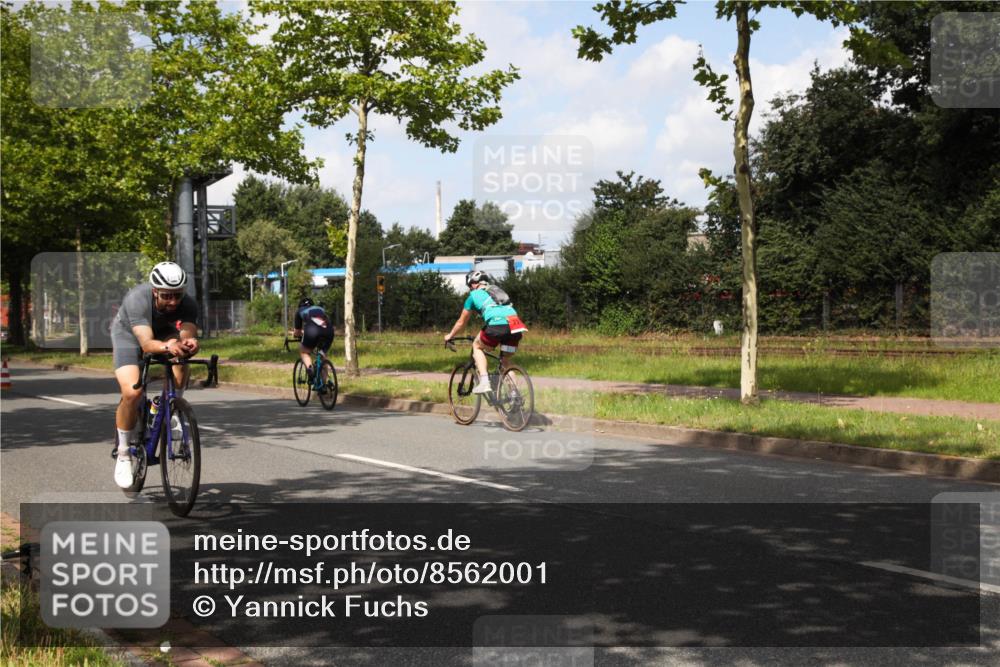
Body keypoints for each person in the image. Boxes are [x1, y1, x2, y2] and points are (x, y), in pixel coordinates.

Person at [111, 261, 200, 488]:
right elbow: (148, 344)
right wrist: (167, 346)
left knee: (180, 359)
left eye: (177, 296)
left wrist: (188, 343)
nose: (173, 302)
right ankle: (123, 453)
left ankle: (169, 407)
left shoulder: (187, 303)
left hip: (163, 333)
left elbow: (187, 332)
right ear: (154, 291)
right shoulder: (137, 300)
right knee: (133, 392)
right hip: (130, 337)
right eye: (166, 296)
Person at [444, 270, 527, 394]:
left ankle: (484, 382)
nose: (470, 289)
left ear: (473, 284)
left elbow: (461, 322)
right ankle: (514, 396)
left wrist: (450, 336)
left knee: (477, 346)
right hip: (515, 327)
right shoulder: (497, 290)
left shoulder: (473, 296)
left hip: (497, 325)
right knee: (506, 363)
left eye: (469, 286)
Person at [293, 297, 333, 381]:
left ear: (300, 306)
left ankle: (310, 369)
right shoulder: (320, 309)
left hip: (312, 331)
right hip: (329, 331)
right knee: (322, 355)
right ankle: (323, 384)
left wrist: (296, 335)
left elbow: (297, 332)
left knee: (304, 351)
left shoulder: (299, 311)